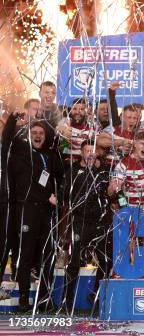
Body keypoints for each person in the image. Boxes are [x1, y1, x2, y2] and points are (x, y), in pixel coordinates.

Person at [3, 112, 63, 312]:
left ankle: (45, 297)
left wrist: (56, 197)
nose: (38, 135)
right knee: (25, 254)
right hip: (26, 209)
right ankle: (22, 298)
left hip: (47, 213)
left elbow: (59, 181)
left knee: (47, 254)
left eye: (41, 133)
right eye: (34, 132)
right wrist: (13, 119)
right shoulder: (21, 151)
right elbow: (8, 138)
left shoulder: (51, 156)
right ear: (28, 134)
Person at [61, 140, 113, 313]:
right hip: (80, 221)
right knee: (75, 262)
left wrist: (121, 203)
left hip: (100, 222)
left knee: (106, 261)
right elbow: (66, 195)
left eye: (93, 150)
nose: (90, 154)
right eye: (87, 151)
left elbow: (114, 191)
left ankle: (96, 296)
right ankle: (66, 301)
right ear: (81, 153)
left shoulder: (104, 171)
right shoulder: (73, 171)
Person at [108, 131, 144, 278]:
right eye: (142, 144)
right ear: (135, 144)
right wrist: (124, 206)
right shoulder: (123, 164)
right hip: (130, 211)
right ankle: (123, 276)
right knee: (128, 250)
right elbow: (115, 190)